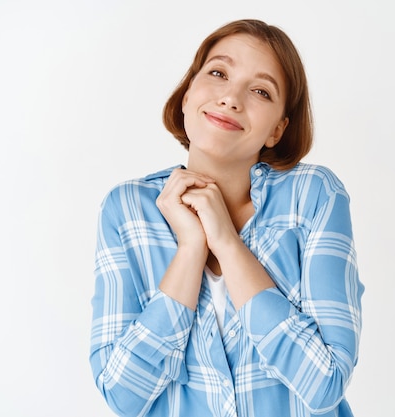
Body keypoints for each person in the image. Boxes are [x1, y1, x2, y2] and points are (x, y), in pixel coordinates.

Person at [90, 18, 364, 417]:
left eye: (260, 91)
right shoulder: (126, 209)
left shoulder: (314, 196)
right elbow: (123, 394)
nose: (231, 98)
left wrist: (227, 244)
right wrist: (191, 249)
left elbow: (325, 384)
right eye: (218, 73)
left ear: (277, 129)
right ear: (187, 95)